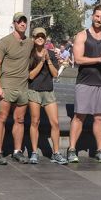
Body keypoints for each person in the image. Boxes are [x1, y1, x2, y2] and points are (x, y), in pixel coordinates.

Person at [68, 4, 101, 163]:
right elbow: (78, 59)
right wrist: (99, 59)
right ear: (92, 16)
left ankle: (100, 150)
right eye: (97, 16)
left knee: (99, 118)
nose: (99, 20)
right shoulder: (82, 35)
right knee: (79, 116)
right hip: (84, 82)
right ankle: (72, 149)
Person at [0, 13, 32, 164]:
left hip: (23, 87)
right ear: (14, 23)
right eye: (19, 21)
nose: (22, 24)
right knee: (1, 118)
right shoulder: (4, 42)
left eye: (24, 21)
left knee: (20, 120)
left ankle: (17, 151)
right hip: (7, 86)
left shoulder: (29, 43)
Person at [26, 27, 65, 164]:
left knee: (55, 122)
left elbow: (55, 74)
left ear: (46, 37)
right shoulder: (30, 54)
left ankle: (56, 152)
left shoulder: (52, 54)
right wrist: (41, 61)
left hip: (48, 91)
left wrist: (48, 60)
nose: (40, 38)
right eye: (37, 36)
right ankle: (34, 152)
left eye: (42, 36)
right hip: (34, 91)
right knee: (35, 122)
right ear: (33, 38)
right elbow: (30, 76)